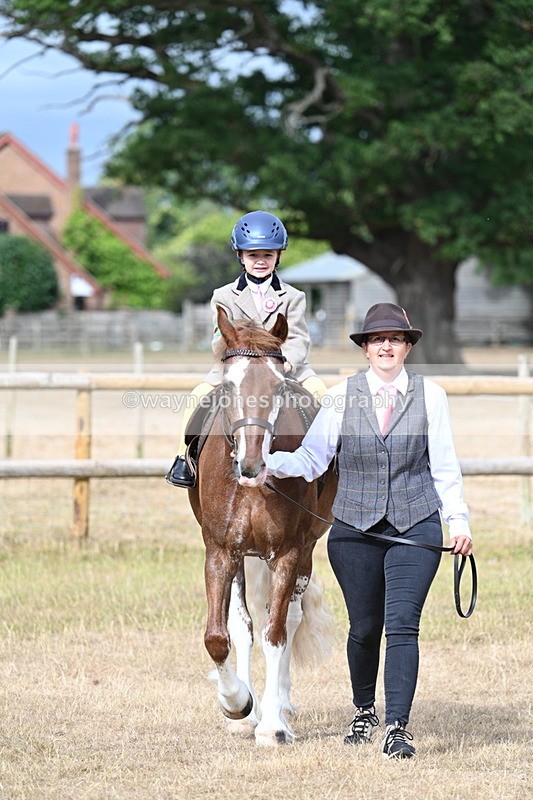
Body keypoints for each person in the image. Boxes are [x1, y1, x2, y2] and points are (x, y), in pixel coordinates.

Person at [266, 302, 473, 759]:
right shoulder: (340, 396)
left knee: (402, 626)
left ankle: (398, 726)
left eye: (395, 339)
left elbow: (444, 466)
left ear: (407, 347)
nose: (386, 346)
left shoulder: (431, 396)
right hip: (353, 529)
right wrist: (269, 464)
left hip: (415, 525)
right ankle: (364, 710)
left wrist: (458, 521)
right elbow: (313, 460)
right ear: (365, 348)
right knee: (364, 628)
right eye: (377, 339)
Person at [166, 210, 327, 487]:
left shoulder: (293, 296)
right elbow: (219, 339)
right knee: (197, 396)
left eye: (268, 255)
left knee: (321, 393)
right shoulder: (223, 296)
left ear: (278, 256)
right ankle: (184, 458)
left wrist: (285, 363)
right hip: (237, 368)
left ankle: (332, 462)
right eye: (253, 255)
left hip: (284, 368)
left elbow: (298, 338)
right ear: (240, 256)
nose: (260, 261)